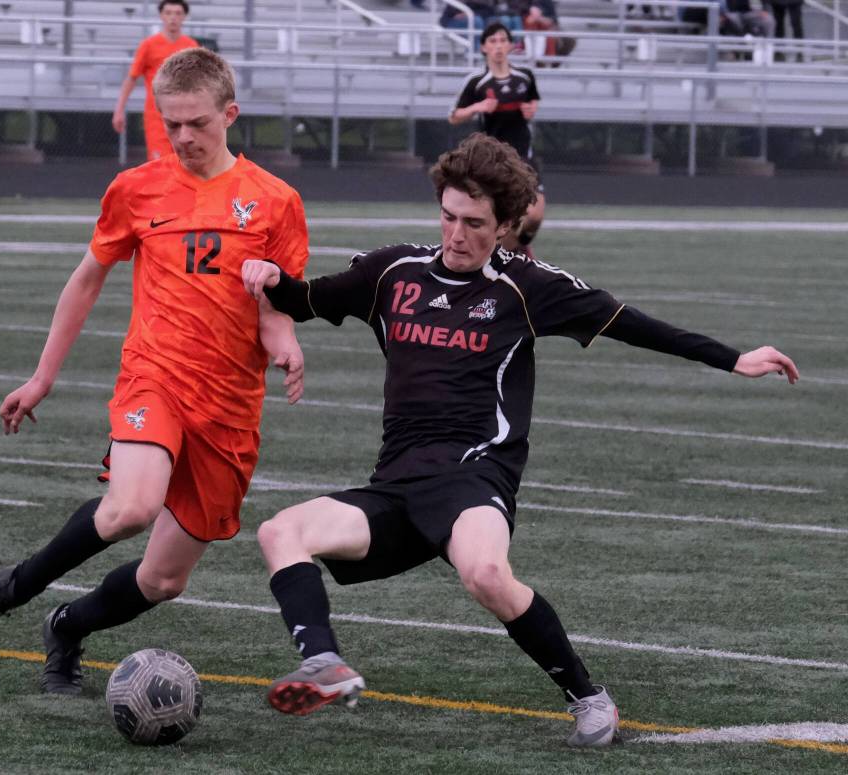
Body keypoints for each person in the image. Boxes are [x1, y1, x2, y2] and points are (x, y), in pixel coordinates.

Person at [240, 133, 799, 747]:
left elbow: (633, 325)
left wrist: (734, 359)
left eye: (475, 223)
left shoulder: (527, 287)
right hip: (396, 484)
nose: (457, 235)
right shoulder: (390, 273)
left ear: (507, 225)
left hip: (476, 476)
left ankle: (589, 697)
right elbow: (302, 298)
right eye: (448, 216)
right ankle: (323, 663)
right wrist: (269, 277)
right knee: (279, 530)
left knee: (484, 574)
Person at [0, 48, 311, 696]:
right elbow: (86, 281)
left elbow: (276, 311)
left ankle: (68, 625)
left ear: (231, 114)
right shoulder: (137, 189)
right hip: (155, 376)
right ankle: (17, 586)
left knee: (165, 579)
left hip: (229, 405)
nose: (185, 137)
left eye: (198, 123)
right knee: (131, 505)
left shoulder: (275, 202)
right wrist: (41, 377)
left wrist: (285, 345)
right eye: (173, 124)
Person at [449, 22, 544, 249]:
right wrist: (477, 107)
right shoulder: (477, 81)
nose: (498, 46)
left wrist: (532, 109)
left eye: (503, 40)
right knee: (504, 218)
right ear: (483, 47)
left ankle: (515, 251)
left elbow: (532, 102)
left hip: (524, 156)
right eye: (493, 41)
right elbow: (454, 116)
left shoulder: (525, 76)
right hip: (495, 161)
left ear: (511, 45)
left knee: (535, 216)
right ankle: (512, 258)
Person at [112, 0, 199, 161]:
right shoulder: (149, 45)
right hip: (157, 117)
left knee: (185, 165)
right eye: (168, 13)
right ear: (161, 16)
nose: (173, 18)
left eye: (178, 13)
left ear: (184, 16)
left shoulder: (191, 46)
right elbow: (132, 78)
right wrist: (119, 109)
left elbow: (199, 82)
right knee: (160, 166)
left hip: (185, 117)